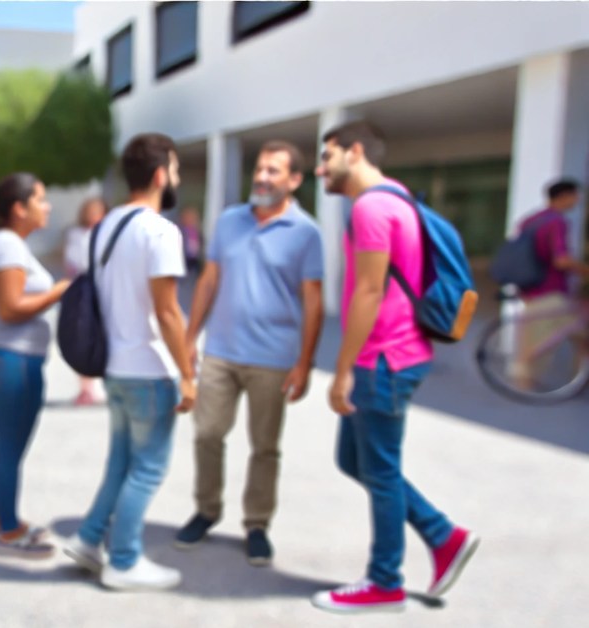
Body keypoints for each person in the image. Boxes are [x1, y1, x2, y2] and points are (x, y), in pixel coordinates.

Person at [311, 120, 477, 614]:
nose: (320, 169)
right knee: (356, 461)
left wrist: (341, 371)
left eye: (327, 156)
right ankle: (443, 536)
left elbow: (368, 290)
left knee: (380, 471)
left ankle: (385, 583)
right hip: (398, 354)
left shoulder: (372, 207)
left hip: (382, 359)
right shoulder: (399, 198)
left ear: (354, 152)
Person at [174, 141, 324, 567]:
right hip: (221, 351)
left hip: (273, 359)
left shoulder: (306, 233)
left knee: (264, 447)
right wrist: (188, 338)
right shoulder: (228, 221)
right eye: (260, 168)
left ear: (294, 180)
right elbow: (208, 280)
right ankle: (206, 510)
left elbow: (313, 302)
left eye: (274, 171)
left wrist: (305, 363)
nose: (262, 177)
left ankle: (257, 524)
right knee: (206, 434)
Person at [62, 133, 196, 591]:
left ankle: (88, 538)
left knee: (120, 463)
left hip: (114, 367)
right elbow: (168, 311)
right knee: (148, 469)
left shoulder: (105, 227)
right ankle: (124, 560)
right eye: (175, 170)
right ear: (160, 175)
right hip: (149, 370)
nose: (175, 178)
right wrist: (189, 375)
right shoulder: (160, 231)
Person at [0, 175, 71, 558]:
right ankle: (7, 532)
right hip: (11, 357)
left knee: (11, 444)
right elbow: (10, 309)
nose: (48, 206)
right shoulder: (8, 244)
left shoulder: (10, 244)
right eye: (41, 199)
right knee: (10, 445)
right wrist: (61, 290)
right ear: (19, 208)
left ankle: (4, 519)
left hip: (12, 357)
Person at [511, 179, 589, 389]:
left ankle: (523, 381)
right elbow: (561, 259)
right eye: (576, 195)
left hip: (529, 288)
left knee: (534, 334)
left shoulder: (530, 220)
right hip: (550, 289)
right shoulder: (557, 222)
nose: (578, 200)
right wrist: (584, 270)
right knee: (566, 333)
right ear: (564, 196)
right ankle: (577, 381)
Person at [64, 196, 108, 406]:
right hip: (83, 292)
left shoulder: (106, 234)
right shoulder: (77, 235)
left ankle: (94, 385)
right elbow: (74, 261)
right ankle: (85, 386)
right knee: (82, 338)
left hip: (101, 291)